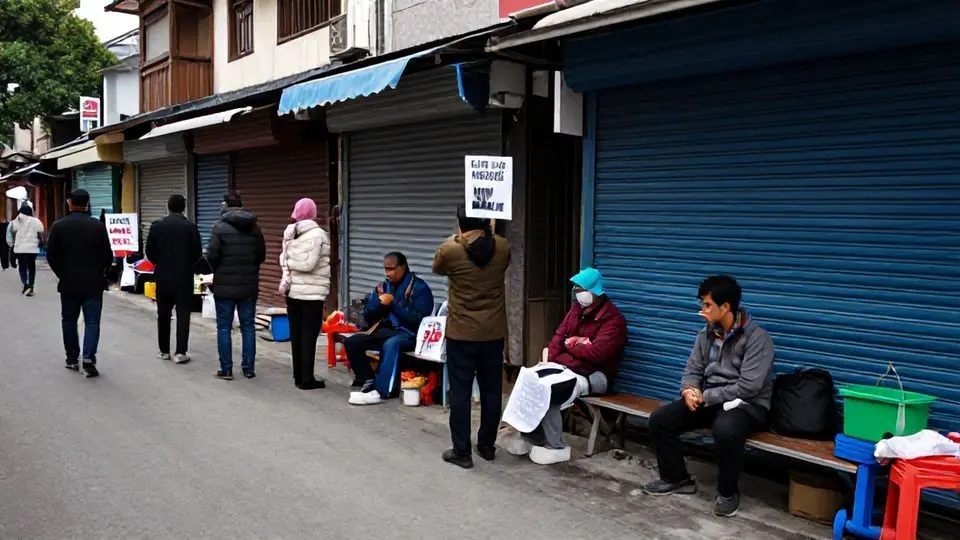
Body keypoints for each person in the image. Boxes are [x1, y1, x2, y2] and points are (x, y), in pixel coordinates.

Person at [641, 275, 775, 518]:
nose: (702, 310)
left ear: (725, 307)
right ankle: (676, 478)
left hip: (748, 405)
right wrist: (688, 390)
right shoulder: (705, 334)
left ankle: (727, 493)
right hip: (711, 399)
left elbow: (749, 386)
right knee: (661, 419)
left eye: (707, 305)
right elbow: (692, 369)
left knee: (725, 430)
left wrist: (707, 396)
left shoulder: (758, 339)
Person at [500, 267, 627, 465]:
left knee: (552, 391)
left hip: (596, 375)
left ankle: (555, 445)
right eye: (576, 288)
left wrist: (571, 345)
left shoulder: (613, 320)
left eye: (582, 289)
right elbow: (560, 336)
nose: (578, 293)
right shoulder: (576, 310)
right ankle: (531, 436)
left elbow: (597, 354)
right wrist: (558, 353)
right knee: (529, 379)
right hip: (565, 367)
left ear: (596, 291)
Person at [433, 204, 510, 469]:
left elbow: (437, 268)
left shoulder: (450, 249)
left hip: (462, 333)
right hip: (493, 332)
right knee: (491, 390)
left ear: (460, 224)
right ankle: (487, 446)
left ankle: (461, 452)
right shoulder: (502, 247)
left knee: (461, 392)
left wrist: (457, 238)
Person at [346, 251, 434, 405]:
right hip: (386, 329)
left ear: (403, 267)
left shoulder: (419, 288)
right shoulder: (383, 286)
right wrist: (378, 304)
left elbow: (419, 320)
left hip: (410, 333)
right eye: (386, 269)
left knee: (391, 344)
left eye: (392, 269)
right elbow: (366, 315)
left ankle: (383, 390)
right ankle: (367, 379)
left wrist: (394, 304)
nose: (388, 273)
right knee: (353, 342)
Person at [45, 190, 114, 377]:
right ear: (87, 204)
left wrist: (63, 274)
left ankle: (72, 358)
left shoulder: (59, 226)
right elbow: (108, 256)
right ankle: (89, 358)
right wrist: (100, 272)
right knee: (92, 321)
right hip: (93, 283)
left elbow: (51, 256)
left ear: (69, 203)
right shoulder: (98, 226)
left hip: (68, 283)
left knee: (69, 320)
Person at [206, 193, 266, 381]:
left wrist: (219, 271)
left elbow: (212, 257)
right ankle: (248, 368)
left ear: (225, 205)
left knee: (224, 327)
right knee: (248, 327)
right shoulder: (255, 228)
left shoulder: (219, 227)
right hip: (248, 286)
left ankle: (226, 370)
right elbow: (261, 256)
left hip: (224, 286)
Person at [279, 198, 331, 390]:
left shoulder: (291, 232)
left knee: (298, 334)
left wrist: (289, 265)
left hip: (293, 291)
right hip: (311, 295)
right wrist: (293, 264)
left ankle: (298, 375)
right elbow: (308, 265)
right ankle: (306, 379)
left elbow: (284, 260)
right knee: (308, 336)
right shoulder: (318, 235)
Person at [146, 194, 203, 365]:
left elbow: (150, 252)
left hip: (163, 277)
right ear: (183, 208)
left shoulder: (157, 226)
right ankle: (180, 352)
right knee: (183, 315)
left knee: (163, 314)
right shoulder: (190, 227)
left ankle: (164, 351)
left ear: (168, 207)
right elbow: (197, 254)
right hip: (184, 277)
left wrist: (161, 263)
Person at [8, 201, 44, 296]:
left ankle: (25, 283)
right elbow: (41, 231)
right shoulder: (36, 221)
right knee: (31, 267)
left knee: (22, 267)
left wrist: (12, 245)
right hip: (32, 249)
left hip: (20, 249)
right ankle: (31, 286)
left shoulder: (14, 222)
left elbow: (9, 236)